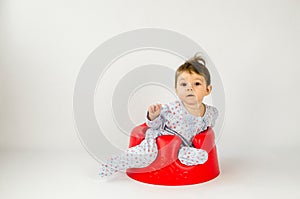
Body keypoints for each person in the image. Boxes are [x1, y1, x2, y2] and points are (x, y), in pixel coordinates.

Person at [99, 53, 218, 178]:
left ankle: (186, 160)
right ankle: (116, 162)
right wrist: (153, 116)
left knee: (199, 155)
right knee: (147, 154)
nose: (190, 88)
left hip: (183, 146)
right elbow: (155, 125)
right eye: (184, 84)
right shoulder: (172, 108)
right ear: (176, 89)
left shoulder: (210, 112)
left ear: (208, 90)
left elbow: (210, 125)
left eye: (197, 84)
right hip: (159, 140)